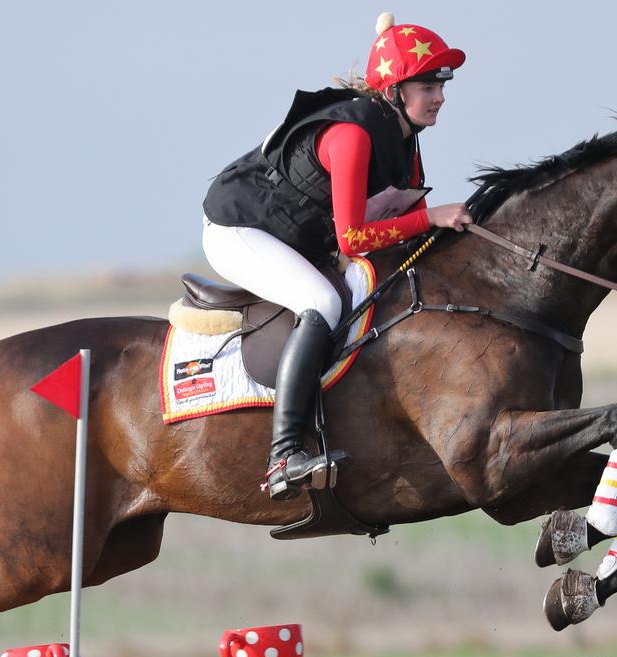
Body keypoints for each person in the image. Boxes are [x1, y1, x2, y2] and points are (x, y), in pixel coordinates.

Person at [202, 12, 472, 500]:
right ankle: (283, 455)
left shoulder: (406, 146)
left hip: (295, 236)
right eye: (427, 85)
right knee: (323, 303)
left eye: (441, 84)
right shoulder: (353, 134)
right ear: (394, 91)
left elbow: (410, 233)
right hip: (237, 229)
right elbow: (352, 239)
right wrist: (432, 219)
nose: (440, 96)